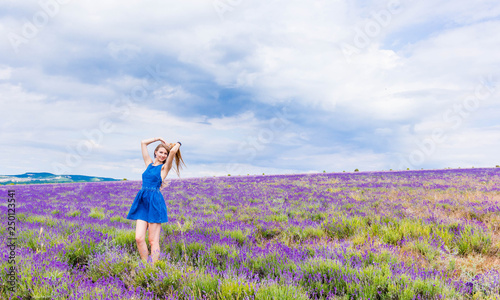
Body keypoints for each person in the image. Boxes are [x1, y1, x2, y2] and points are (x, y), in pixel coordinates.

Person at [126, 137, 185, 264]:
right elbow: (143, 143)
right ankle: (145, 264)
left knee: (153, 240)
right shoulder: (148, 163)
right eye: (161, 152)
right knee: (139, 238)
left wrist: (178, 143)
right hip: (142, 201)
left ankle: (152, 268)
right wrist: (158, 138)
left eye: (165, 153)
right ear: (155, 152)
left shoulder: (164, 168)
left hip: (155, 203)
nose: (163, 155)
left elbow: (173, 152)